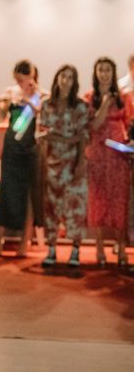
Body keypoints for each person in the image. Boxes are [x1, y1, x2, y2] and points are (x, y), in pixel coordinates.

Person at [0, 60, 46, 257]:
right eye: (18, 78)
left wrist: (29, 99)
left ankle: (24, 243)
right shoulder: (10, 92)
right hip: (12, 147)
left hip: (31, 147)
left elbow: (43, 115)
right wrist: (1, 104)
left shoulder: (41, 94)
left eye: (24, 77)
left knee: (29, 194)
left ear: (32, 75)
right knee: (6, 191)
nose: (21, 81)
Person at [39, 65, 89, 268]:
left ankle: (75, 250)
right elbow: (42, 135)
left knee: (75, 207)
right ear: (57, 78)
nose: (66, 80)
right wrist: (64, 138)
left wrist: (80, 163)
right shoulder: (46, 105)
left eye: (70, 77)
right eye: (63, 76)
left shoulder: (80, 106)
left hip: (73, 163)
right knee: (51, 208)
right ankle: (51, 249)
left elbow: (83, 137)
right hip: (51, 164)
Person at [85, 57, 132, 267]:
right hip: (98, 152)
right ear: (96, 73)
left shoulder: (124, 97)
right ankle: (100, 248)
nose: (104, 74)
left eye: (108, 70)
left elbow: (129, 123)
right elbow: (93, 125)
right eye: (100, 70)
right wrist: (105, 103)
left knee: (119, 199)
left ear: (113, 73)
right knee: (98, 199)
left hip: (118, 153)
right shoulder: (90, 97)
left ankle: (121, 248)